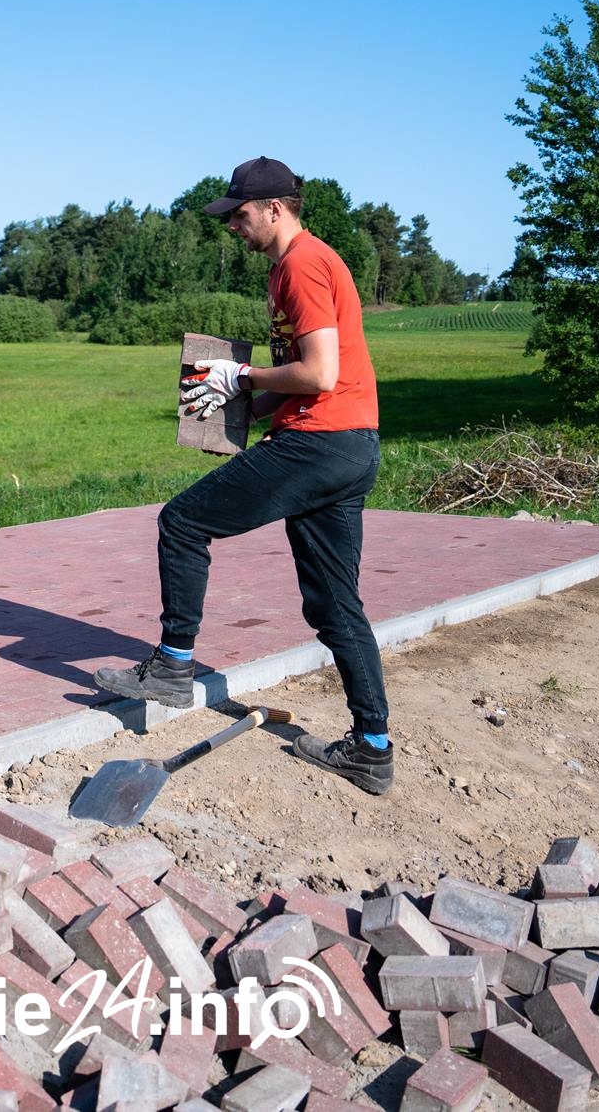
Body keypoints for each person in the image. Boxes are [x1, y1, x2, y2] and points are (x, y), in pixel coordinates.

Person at [94, 156, 394, 795]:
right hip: (349, 445)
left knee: (182, 522)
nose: (233, 225)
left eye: (240, 214)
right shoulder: (305, 263)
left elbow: (317, 375)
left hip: (318, 443)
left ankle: (173, 665)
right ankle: (372, 747)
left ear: (276, 208)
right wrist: (236, 408)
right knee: (336, 604)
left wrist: (248, 376)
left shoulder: (302, 265)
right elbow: (307, 381)